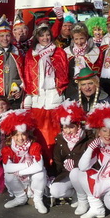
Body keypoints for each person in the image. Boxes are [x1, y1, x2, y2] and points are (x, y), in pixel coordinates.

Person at [23, 22, 68, 162]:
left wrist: (59, 89)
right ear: (37, 37)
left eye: (48, 35)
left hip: (53, 96)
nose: (45, 38)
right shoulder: (31, 54)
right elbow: (28, 76)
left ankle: (55, 161)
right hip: (38, 98)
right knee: (38, 131)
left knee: (55, 130)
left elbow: (64, 73)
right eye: (42, 35)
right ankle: (39, 160)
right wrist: (29, 97)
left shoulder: (59, 52)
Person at [0, 109, 49, 214]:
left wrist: (19, 171)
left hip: (32, 179)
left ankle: (37, 199)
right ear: (11, 136)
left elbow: (39, 167)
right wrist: (26, 164)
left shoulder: (34, 146)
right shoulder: (7, 149)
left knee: (40, 173)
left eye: (23, 134)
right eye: (16, 135)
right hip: (20, 180)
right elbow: (7, 168)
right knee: (9, 175)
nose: (20, 138)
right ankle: (20, 198)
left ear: (28, 134)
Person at [50, 101, 94, 211]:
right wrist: (56, 175)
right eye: (65, 128)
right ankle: (75, 194)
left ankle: (84, 200)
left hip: (83, 175)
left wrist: (75, 164)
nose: (68, 131)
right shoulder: (60, 140)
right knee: (55, 190)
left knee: (76, 173)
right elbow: (57, 160)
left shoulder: (87, 139)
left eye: (71, 127)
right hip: (67, 174)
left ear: (78, 126)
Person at [65, 23, 99, 101]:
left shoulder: (94, 51)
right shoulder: (67, 52)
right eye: (76, 39)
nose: (79, 42)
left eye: (82, 38)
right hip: (72, 89)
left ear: (86, 37)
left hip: (90, 88)